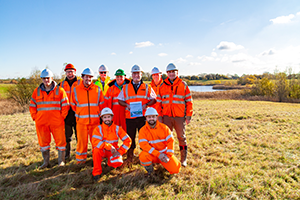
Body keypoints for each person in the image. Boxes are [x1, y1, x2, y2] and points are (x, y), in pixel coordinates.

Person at [29, 68, 69, 168]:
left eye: (48, 78)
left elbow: (65, 105)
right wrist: (35, 117)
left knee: (61, 142)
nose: (46, 80)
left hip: (57, 122)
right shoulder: (36, 91)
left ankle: (61, 161)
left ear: (52, 78)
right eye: (44, 78)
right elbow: (32, 106)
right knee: (43, 143)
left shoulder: (60, 90)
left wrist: (61, 117)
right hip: (41, 123)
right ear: (41, 79)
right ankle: (46, 162)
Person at [118, 65, 156, 165]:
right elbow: (120, 100)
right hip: (129, 118)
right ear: (132, 74)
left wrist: (146, 105)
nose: (136, 75)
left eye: (138, 73)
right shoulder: (125, 87)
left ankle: (145, 157)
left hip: (142, 117)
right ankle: (130, 157)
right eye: (134, 73)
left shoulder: (147, 87)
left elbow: (154, 99)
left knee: (144, 138)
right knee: (130, 138)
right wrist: (126, 104)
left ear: (141, 74)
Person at [157, 63, 193, 167]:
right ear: (167, 73)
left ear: (177, 72)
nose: (171, 74)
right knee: (166, 138)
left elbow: (189, 101)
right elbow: (158, 103)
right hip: (166, 117)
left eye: (173, 71)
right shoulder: (162, 86)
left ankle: (183, 159)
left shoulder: (183, 84)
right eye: (169, 72)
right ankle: (167, 158)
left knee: (181, 137)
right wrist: (159, 117)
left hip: (179, 117)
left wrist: (188, 115)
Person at [70, 67, 104, 164]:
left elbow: (101, 104)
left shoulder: (97, 89)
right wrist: (80, 113)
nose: (88, 79)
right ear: (82, 77)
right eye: (86, 77)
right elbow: (73, 104)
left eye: (90, 77)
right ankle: (81, 161)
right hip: (81, 122)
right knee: (81, 143)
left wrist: (97, 114)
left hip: (95, 122)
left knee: (96, 142)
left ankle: (97, 159)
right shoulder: (76, 90)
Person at [91, 107, 132, 182]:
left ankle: (110, 165)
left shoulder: (117, 128)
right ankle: (96, 173)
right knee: (96, 151)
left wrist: (120, 152)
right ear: (102, 118)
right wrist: (109, 146)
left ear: (112, 117)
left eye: (108, 117)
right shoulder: (98, 129)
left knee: (117, 163)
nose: (107, 119)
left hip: (113, 152)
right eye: (105, 117)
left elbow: (127, 140)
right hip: (102, 150)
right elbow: (95, 141)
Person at [139, 107, 181, 176]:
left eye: (153, 117)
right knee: (143, 156)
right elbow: (144, 145)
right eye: (149, 117)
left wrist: (168, 156)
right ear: (146, 118)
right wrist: (158, 154)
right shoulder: (142, 130)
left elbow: (171, 141)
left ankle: (165, 164)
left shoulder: (164, 128)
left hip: (164, 154)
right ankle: (150, 172)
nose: (151, 119)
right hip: (152, 154)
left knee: (176, 170)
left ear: (156, 117)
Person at [58, 63, 81, 160]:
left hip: (78, 113)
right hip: (66, 113)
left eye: (71, 71)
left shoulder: (80, 83)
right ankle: (67, 155)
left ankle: (80, 153)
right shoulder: (61, 84)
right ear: (65, 73)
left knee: (79, 135)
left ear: (75, 72)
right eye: (68, 72)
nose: (70, 73)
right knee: (66, 136)